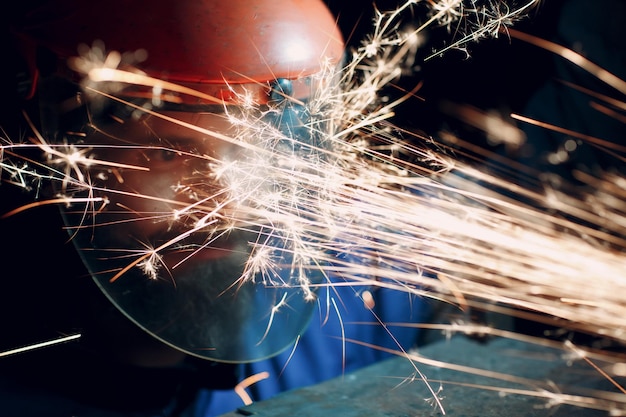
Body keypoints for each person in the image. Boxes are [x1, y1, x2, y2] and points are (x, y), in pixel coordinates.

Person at [0, 1, 430, 416]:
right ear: (56, 158)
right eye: (167, 155)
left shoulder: (356, 281)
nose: (224, 204)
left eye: (251, 151)